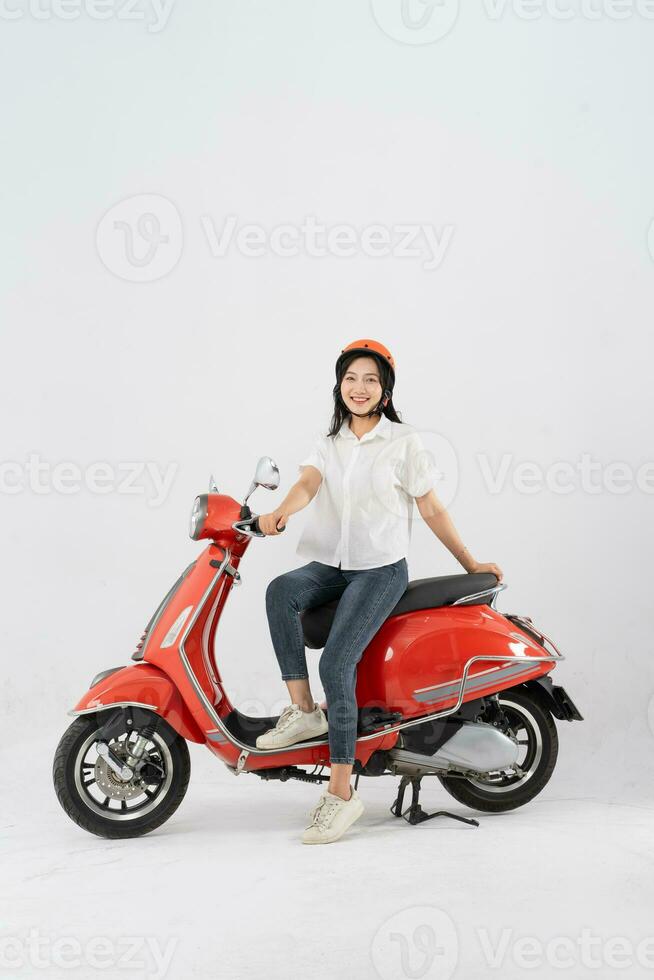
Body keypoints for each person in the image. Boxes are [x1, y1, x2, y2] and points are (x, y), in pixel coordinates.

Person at [256, 339, 503, 844]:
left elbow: (431, 508)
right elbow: (306, 483)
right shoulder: (328, 443)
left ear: (385, 391)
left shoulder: (404, 442)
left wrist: (471, 563)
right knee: (281, 590)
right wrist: (284, 509)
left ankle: (342, 792)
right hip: (331, 566)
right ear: (339, 387)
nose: (359, 388)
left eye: (370, 379)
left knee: (336, 664)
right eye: (351, 378)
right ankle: (304, 714)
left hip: (379, 571)